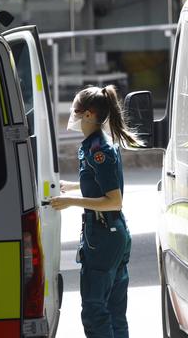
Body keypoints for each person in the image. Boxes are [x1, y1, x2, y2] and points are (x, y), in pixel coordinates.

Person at [50, 85, 139, 338]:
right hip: (111, 233)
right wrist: (72, 186)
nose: (71, 112)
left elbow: (114, 200)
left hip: (103, 235)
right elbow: (101, 182)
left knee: (94, 310)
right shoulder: (95, 145)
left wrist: (72, 202)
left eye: (75, 106)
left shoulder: (99, 150)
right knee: (114, 309)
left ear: (88, 114)